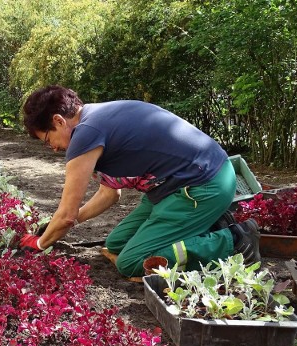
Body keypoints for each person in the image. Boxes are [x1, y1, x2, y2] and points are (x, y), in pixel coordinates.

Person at [19, 85, 261, 278]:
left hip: (202, 186)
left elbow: (66, 214)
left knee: (132, 262)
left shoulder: (86, 133)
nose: (51, 148)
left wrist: (39, 244)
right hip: (184, 185)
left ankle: (234, 240)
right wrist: (66, 223)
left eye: (47, 138)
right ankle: (212, 223)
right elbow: (109, 194)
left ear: (59, 121)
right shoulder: (99, 118)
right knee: (116, 243)